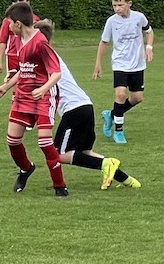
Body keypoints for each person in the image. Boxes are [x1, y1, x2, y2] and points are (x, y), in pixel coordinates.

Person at [36, 20, 141, 191]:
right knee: (84, 152)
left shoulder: (45, 57)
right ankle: (127, 179)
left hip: (74, 110)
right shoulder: (49, 55)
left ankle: (106, 164)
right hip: (85, 107)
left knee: (58, 154)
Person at [0, 1, 69, 197]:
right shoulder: (19, 41)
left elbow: (56, 72)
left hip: (43, 97)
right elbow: (23, 70)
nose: (8, 27)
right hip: (23, 95)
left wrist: (43, 89)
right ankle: (26, 169)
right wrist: (6, 87)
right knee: (12, 140)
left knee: (45, 143)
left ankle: (60, 186)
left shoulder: (40, 42)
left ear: (18, 23)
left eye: (9, 23)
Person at [93, 0, 154, 145]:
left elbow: (149, 31)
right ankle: (118, 132)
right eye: (114, 5)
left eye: (120, 5)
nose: (117, 9)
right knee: (120, 94)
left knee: (137, 98)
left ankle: (111, 115)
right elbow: (103, 42)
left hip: (137, 64)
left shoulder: (139, 17)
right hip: (120, 63)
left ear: (129, 3)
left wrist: (149, 47)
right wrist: (98, 63)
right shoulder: (111, 21)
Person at [0, 0, 33, 75]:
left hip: (29, 55)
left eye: (21, 0)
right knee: (13, 80)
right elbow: (2, 41)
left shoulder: (34, 19)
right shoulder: (7, 21)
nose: (18, 4)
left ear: (28, 2)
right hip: (13, 56)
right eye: (15, 1)